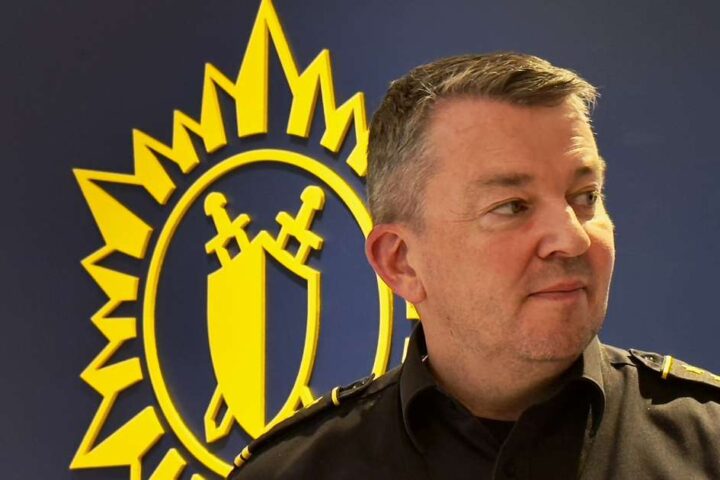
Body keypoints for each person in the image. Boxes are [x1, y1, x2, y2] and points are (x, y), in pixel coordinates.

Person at [228, 52, 720, 479]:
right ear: (401, 262)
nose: (572, 238)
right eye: (513, 207)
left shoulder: (708, 444)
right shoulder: (294, 471)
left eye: (586, 196)